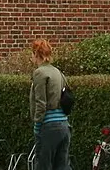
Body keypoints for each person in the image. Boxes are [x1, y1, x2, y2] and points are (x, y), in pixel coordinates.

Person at [29, 40, 68, 170]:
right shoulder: (58, 72)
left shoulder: (40, 73)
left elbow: (41, 102)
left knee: (43, 165)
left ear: (36, 54)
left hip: (48, 126)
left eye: (32, 54)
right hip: (64, 125)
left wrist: (37, 125)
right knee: (61, 165)